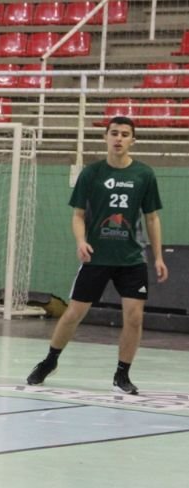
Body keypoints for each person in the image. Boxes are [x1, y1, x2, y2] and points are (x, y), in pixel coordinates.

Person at [26, 116, 168, 395]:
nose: (119, 138)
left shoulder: (144, 175)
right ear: (105, 137)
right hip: (97, 256)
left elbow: (152, 219)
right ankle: (50, 361)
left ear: (132, 140)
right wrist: (81, 241)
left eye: (125, 134)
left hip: (131, 259)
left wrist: (159, 257)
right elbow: (78, 215)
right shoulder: (91, 174)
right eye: (114, 133)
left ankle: (122, 374)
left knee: (135, 316)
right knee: (73, 313)